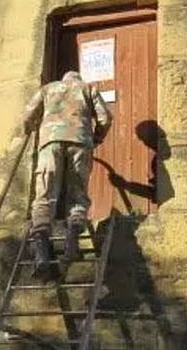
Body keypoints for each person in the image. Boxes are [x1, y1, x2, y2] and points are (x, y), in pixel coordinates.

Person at [22, 70, 112, 278]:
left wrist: (29, 129)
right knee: (78, 194)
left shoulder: (48, 89)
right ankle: (72, 243)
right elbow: (105, 118)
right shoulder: (88, 88)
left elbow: (27, 116)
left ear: (63, 79)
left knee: (44, 196)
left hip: (50, 142)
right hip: (80, 142)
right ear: (77, 79)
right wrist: (96, 137)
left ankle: (42, 254)